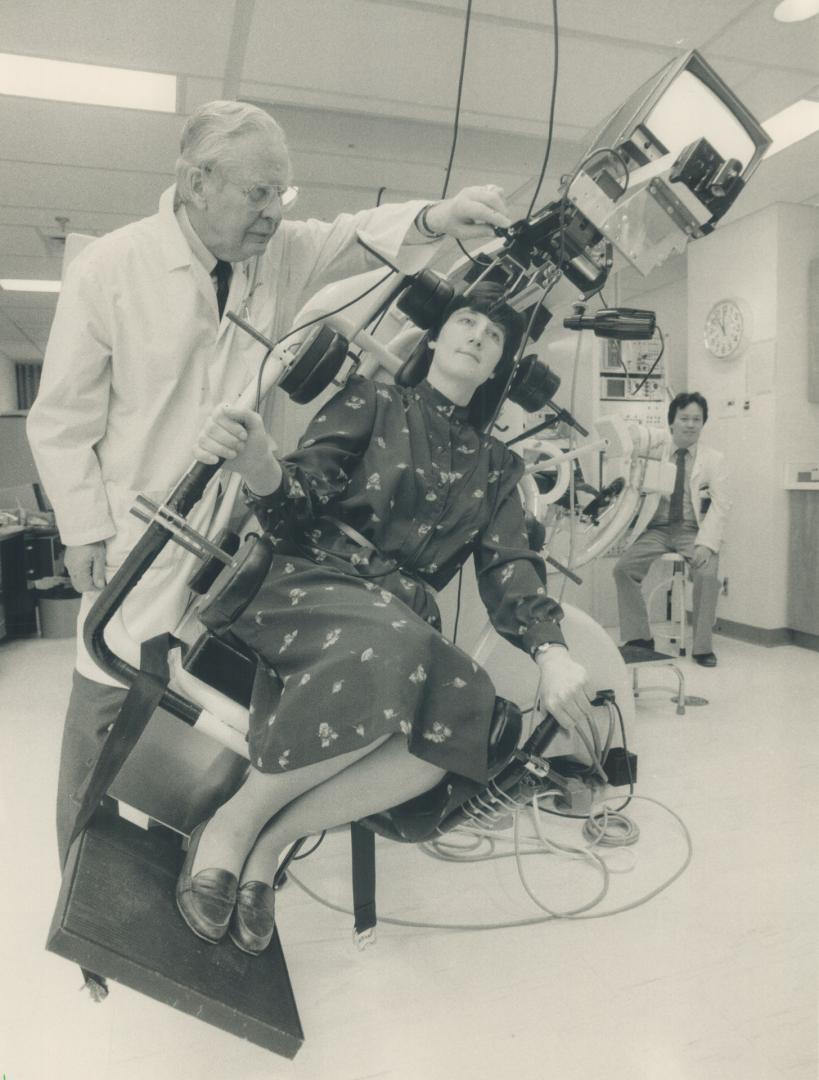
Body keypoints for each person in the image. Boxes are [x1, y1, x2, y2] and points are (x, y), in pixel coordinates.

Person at [25, 99, 513, 996]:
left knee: (221, 725)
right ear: (195, 179)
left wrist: (438, 218)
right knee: (104, 704)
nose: (274, 211)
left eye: (280, 193)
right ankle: (82, 917)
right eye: (257, 192)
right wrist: (84, 526)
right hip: (137, 524)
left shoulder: (272, 255)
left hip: (228, 533)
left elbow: (354, 238)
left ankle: (224, 861)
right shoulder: (112, 267)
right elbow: (60, 419)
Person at [176, 284, 593, 955]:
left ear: (496, 370)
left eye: (492, 338)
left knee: (470, 709)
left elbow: (510, 569)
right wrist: (260, 466)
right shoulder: (371, 401)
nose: (477, 336)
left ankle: (271, 845)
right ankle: (232, 824)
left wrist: (550, 651)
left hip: (396, 616)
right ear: (435, 337)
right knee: (404, 646)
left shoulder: (497, 468)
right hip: (310, 579)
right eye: (465, 320)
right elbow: (298, 498)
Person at [614, 391, 730, 667]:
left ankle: (703, 647)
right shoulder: (653, 453)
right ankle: (639, 638)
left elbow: (722, 505)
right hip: (656, 528)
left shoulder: (714, 459)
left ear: (703, 423)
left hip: (692, 531)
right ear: (672, 422)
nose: (690, 425)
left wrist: (706, 543)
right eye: (684, 418)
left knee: (707, 572)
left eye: (697, 419)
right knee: (622, 570)